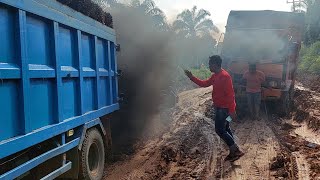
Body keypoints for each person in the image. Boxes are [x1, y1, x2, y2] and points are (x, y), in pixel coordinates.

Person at [184, 55, 244, 162]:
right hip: (219, 108)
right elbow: (204, 84)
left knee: (219, 130)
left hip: (223, 109)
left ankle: (235, 150)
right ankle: (234, 150)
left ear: (215, 64)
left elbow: (231, 95)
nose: (209, 66)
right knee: (226, 128)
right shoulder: (215, 76)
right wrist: (191, 77)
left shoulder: (225, 76)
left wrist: (232, 110)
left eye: (210, 64)